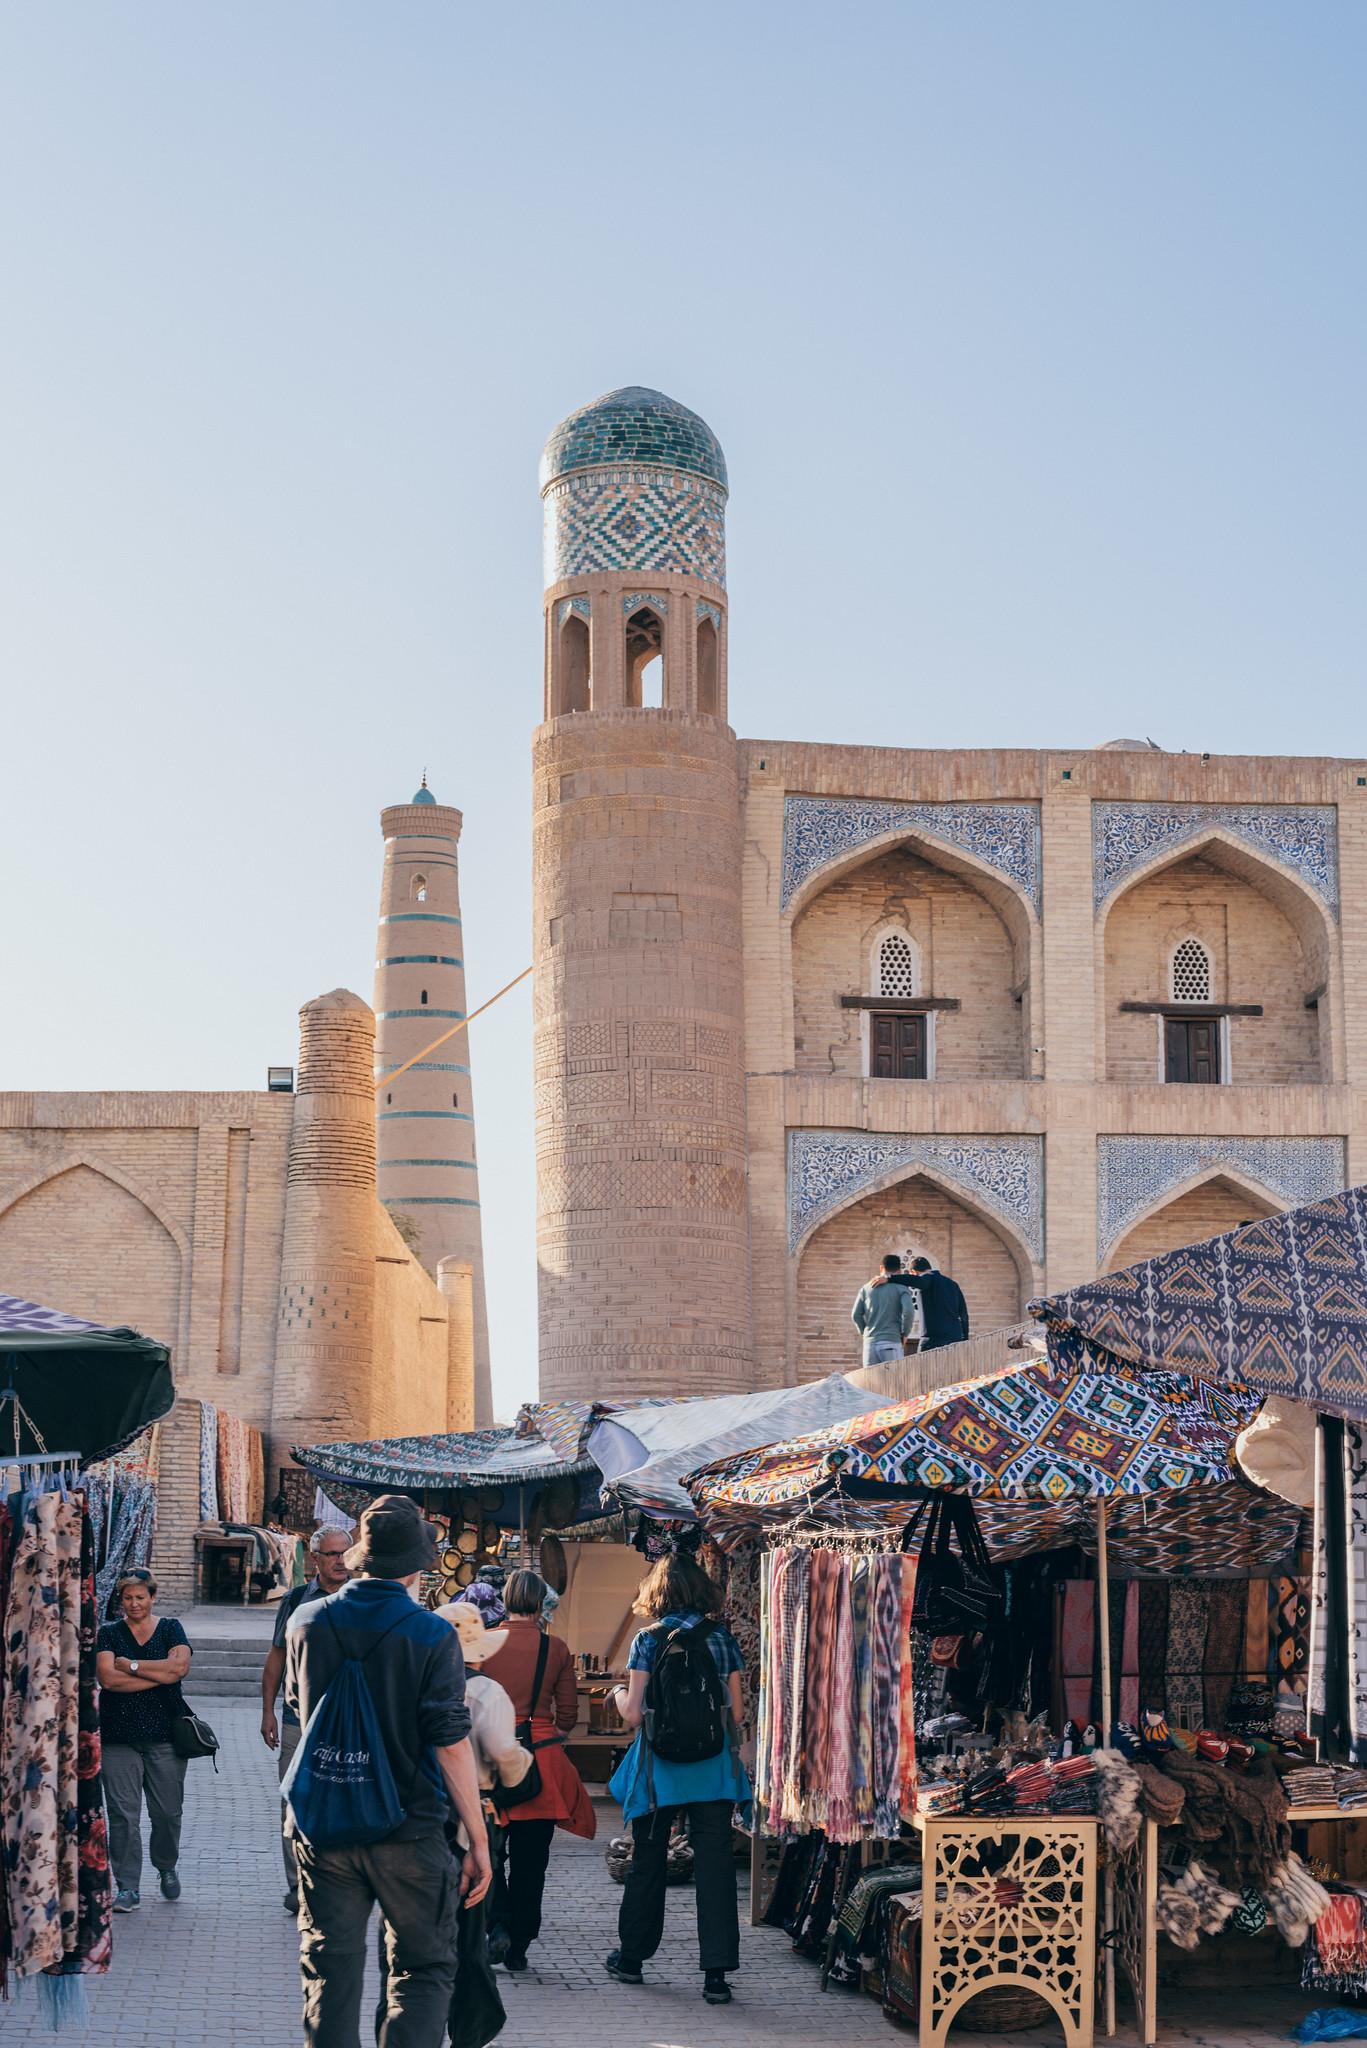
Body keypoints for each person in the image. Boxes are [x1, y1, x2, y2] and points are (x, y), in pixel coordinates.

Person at [285, 1493, 491, 2048]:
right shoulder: (430, 1634)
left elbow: (300, 1713)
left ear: (360, 1558)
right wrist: (478, 1838)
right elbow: (451, 1744)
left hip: (326, 1825)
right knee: (421, 1972)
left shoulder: (305, 1621)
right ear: (418, 1567)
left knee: (329, 1971)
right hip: (411, 1827)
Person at [605, 1549, 750, 2007]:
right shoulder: (722, 1639)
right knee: (715, 1867)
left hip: (658, 1772)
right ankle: (716, 1977)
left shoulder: (648, 1639)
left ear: (657, 1593)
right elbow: (738, 1713)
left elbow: (633, 1715)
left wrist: (616, 1694)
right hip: (713, 1772)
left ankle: (631, 1959)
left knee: (648, 1860)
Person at [480, 1568, 594, 1974]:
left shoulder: (482, 1643)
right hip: (540, 1765)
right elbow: (567, 1714)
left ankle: (497, 1924)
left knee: (487, 1854)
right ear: (540, 1602)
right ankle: (520, 1943)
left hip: (489, 1763)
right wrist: (545, 1733)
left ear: (506, 1598)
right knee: (532, 1862)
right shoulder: (557, 1649)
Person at [261, 1524, 353, 1913]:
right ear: (314, 1558)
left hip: (347, 1723)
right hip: (297, 1719)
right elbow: (277, 1655)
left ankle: (338, 1884)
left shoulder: (358, 1599)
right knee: (294, 1803)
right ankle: (297, 1887)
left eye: (344, 1553)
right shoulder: (298, 1599)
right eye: (331, 1554)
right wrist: (267, 1708)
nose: (339, 1561)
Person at [96, 1569, 193, 1912]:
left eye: (140, 1597)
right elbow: (108, 1679)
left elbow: (179, 1669)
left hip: (165, 1736)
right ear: (120, 1601)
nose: (134, 1604)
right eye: (127, 1597)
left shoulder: (170, 1629)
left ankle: (166, 1865)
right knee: (123, 1815)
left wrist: (133, 1667)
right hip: (118, 1738)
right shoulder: (109, 1634)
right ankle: (127, 1887)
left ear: (152, 1597)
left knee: (167, 1813)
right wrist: (159, 1673)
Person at [851, 1253, 917, 1364]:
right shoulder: (901, 1288)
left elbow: (855, 1315)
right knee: (894, 1380)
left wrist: (865, 1333)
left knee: (870, 1381)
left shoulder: (866, 1288)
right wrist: (905, 1333)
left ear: (881, 1268)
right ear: (899, 1270)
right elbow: (909, 1311)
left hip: (870, 1344)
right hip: (891, 1341)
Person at [903, 1253, 970, 1350]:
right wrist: (965, 1338)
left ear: (913, 1272)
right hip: (954, 1338)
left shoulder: (924, 1281)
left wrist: (889, 1278)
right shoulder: (953, 1284)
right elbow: (963, 1314)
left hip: (931, 1340)